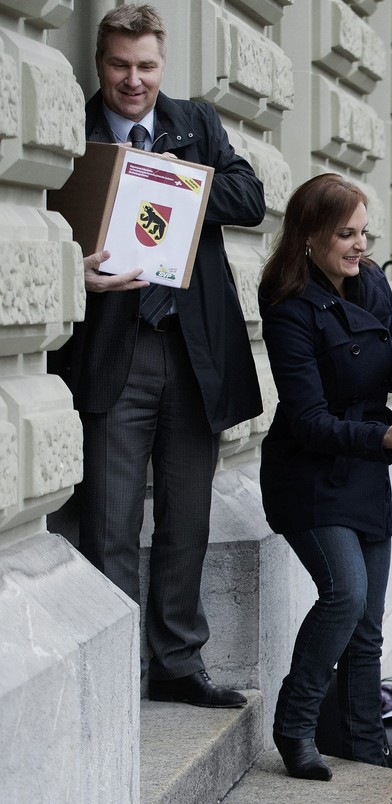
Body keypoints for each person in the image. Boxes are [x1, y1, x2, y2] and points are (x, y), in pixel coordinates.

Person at [56, 3, 264, 708]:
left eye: (146, 65)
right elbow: (45, 225)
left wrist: (186, 181)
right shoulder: (71, 134)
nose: (133, 80)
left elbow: (251, 197)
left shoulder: (196, 123)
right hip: (116, 349)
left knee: (188, 520)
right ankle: (118, 674)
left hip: (193, 347)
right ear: (100, 64)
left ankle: (178, 662)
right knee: (111, 522)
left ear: (161, 63)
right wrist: (67, 267)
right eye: (120, 65)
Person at [258, 174, 392, 781]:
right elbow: (310, 418)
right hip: (310, 476)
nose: (360, 244)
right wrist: (383, 438)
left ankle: (368, 750)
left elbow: (370, 377)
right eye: (346, 233)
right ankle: (295, 725)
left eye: (364, 231)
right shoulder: (289, 306)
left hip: (365, 468)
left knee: (366, 629)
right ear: (309, 237)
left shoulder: (369, 285)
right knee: (345, 595)